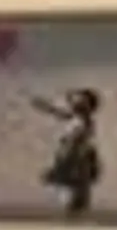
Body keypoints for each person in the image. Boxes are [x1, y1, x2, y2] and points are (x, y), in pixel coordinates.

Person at [31, 87, 105, 217]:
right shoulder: (75, 118)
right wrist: (43, 105)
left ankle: (77, 214)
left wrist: (59, 167)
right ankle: (76, 214)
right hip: (75, 158)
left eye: (80, 102)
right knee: (75, 194)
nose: (74, 103)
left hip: (77, 159)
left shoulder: (84, 121)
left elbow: (74, 143)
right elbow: (57, 111)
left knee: (77, 193)